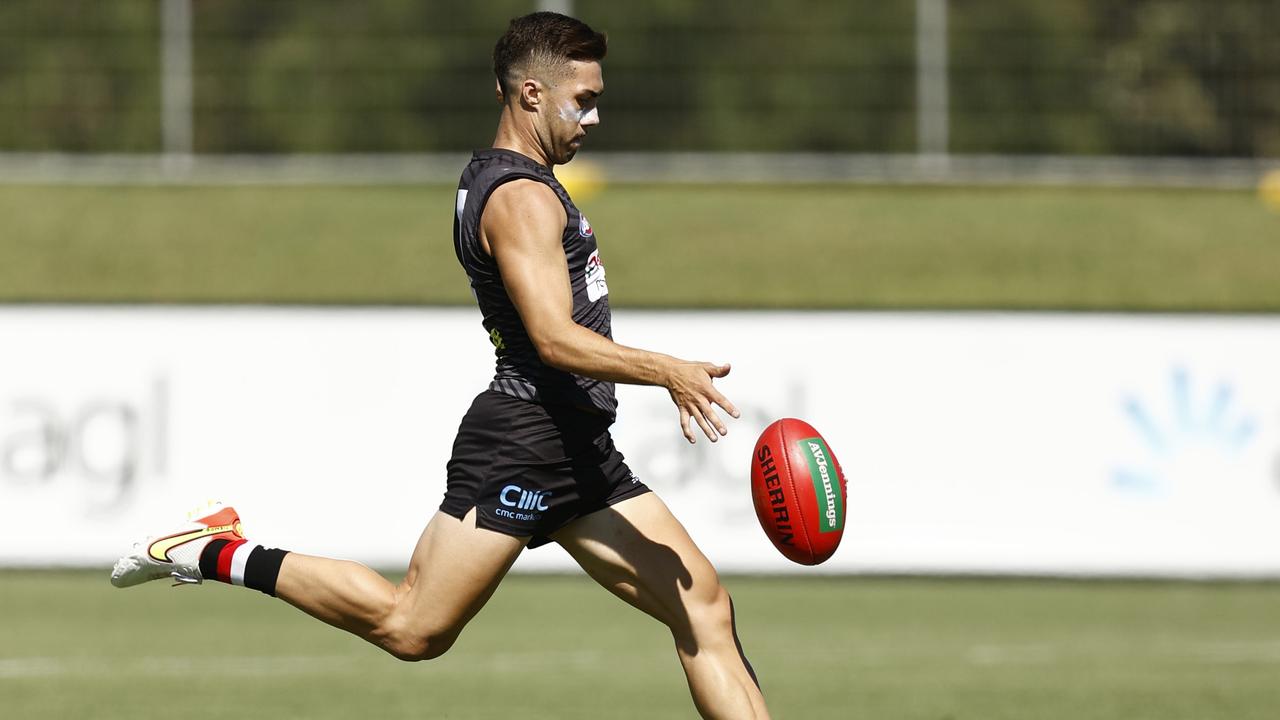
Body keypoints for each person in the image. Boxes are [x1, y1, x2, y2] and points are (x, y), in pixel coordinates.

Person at [111, 11, 770, 719]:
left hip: (577, 443)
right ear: (530, 96)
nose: (596, 115)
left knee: (704, 608)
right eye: (583, 99)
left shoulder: (511, 180)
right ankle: (214, 551)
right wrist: (666, 369)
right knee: (412, 627)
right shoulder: (520, 199)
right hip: (526, 439)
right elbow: (552, 338)